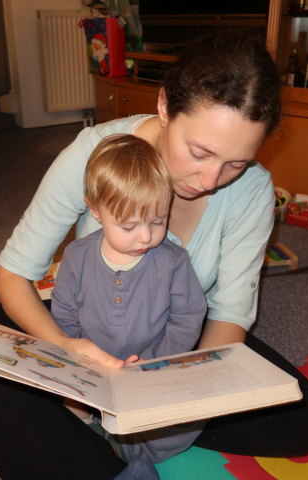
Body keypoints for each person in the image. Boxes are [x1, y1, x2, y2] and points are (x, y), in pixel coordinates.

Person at [0, 28, 308, 480]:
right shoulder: (95, 151)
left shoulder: (253, 190)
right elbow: (14, 275)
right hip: (84, 333)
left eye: (237, 162)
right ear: (164, 107)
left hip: (179, 340)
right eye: (199, 152)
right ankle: (106, 450)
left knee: (304, 420)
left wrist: (179, 385)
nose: (212, 178)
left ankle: (117, 428)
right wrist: (65, 350)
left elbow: (229, 316)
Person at [51, 134, 208, 478]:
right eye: (128, 226)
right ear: (95, 210)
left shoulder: (174, 262)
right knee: (55, 403)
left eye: (157, 221)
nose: (146, 236)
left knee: (195, 415)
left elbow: (188, 318)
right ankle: (106, 434)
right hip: (92, 373)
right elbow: (63, 316)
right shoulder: (77, 257)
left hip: (150, 372)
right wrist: (84, 361)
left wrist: (152, 362)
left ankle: (126, 447)